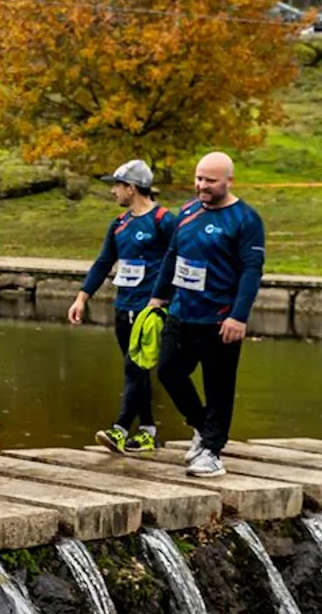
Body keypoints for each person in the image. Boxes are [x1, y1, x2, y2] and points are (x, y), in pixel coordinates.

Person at [147, 151, 265, 478]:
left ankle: (212, 451)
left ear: (229, 180)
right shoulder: (186, 212)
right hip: (182, 313)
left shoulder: (245, 219)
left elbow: (252, 271)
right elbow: (172, 256)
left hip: (221, 319)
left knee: (219, 387)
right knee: (169, 371)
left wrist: (239, 316)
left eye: (210, 180)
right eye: (199, 178)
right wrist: (157, 298)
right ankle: (201, 427)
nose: (202, 185)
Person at [68, 159, 176, 454]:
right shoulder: (119, 224)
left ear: (131, 188)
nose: (113, 191)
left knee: (134, 367)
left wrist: (168, 299)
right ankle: (148, 432)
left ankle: (119, 430)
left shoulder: (164, 221)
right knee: (137, 372)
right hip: (123, 307)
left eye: (116, 185)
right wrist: (82, 297)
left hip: (149, 311)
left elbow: (180, 258)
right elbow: (104, 262)